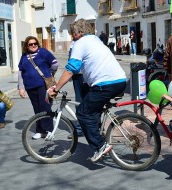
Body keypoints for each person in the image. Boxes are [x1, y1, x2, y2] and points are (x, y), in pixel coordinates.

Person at [49, 19, 127, 163]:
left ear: (79, 32)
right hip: (119, 81)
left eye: (73, 33)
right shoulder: (96, 40)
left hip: (106, 84)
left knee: (82, 112)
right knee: (92, 110)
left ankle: (100, 146)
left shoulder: (80, 43)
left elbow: (71, 69)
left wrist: (56, 88)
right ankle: (100, 137)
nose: (72, 36)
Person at [18, 36, 58, 139]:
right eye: (30, 44)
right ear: (26, 46)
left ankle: (49, 130)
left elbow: (54, 63)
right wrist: (21, 87)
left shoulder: (43, 52)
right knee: (37, 109)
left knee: (45, 106)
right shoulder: (24, 56)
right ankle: (40, 131)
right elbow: (20, 72)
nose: (33, 45)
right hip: (30, 87)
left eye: (35, 43)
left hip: (42, 85)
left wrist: (50, 74)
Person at [68, 30, 90, 138]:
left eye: (75, 32)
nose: (73, 35)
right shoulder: (73, 43)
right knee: (79, 101)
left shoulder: (86, 42)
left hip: (86, 75)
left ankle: (95, 125)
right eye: (72, 33)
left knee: (90, 100)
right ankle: (81, 127)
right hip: (77, 76)